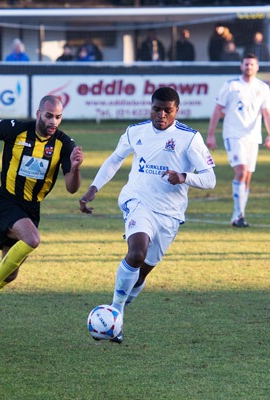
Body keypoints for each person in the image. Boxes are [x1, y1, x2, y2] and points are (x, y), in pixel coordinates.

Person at [78, 87, 216, 343]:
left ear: (176, 111)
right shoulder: (135, 131)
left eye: (167, 110)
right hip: (137, 200)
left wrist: (185, 177)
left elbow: (210, 179)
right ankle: (114, 314)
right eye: (156, 109)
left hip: (169, 214)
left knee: (142, 273)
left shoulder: (189, 138)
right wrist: (93, 189)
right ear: (150, 107)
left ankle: (117, 314)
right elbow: (114, 160)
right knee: (137, 252)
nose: (161, 114)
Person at [0, 95, 84, 334]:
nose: (53, 121)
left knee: (11, 274)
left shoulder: (65, 144)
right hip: (5, 200)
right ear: (38, 114)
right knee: (32, 239)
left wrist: (75, 168)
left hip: (31, 210)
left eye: (58, 117)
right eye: (48, 115)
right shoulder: (16, 129)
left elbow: (71, 187)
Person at [206, 53, 270, 228]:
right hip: (233, 135)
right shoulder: (231, 86)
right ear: (241, 66)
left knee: (247, 178)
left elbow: (267, 113)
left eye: (252, 64)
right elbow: (217, 111)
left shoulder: (263, 87)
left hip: (253, 137)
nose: (249, 67)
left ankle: (239, 216)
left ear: (257, 67)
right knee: (241, 171)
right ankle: (238, 215)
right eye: (246, 64)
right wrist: (211, 135)